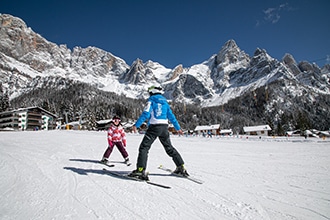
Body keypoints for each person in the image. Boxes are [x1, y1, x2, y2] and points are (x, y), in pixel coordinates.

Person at [128, 85, 188, 180]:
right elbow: (171, 116)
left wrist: (137, 125)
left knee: (144, 148)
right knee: (169, 148)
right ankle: (181, 167)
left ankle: (140, 171)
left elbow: (146, 113)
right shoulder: (165, 102)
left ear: (152, 92)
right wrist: (178, 128)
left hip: (154, 127)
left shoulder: (151, 100)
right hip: (164, 127)